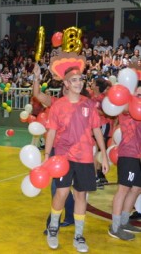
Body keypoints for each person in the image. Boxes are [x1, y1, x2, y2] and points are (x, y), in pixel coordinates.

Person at [43, 53, 109, 252]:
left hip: (85, 157)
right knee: (61, 193)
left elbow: (97, 130)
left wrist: (104, 155)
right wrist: (47, 157)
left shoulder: (89, 104)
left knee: (81, 196)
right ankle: (53, 228)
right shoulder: (58, 106)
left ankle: (79, 236)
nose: (79, 82)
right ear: (66, 83)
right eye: (74, 80)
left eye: (80, 79)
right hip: (63, 157)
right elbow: (52, 132)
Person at [32, 63, 75, 232]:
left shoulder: (80, 105)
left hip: (71, 152)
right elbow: (36, 94)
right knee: (62, 188)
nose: (65, 89)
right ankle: (69, 216)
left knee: (57, 188)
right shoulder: (55, 103)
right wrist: (36, 76)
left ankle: (53, 223)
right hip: (56, 152)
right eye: (64, 86)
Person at [108, 84, 141, 240]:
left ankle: (124, 221)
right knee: (123, 189)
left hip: (138, 155)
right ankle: (115, 227)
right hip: (129, 154)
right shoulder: (127, 107)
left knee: (136, 189)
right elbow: (127, 108)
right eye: (138, 95)